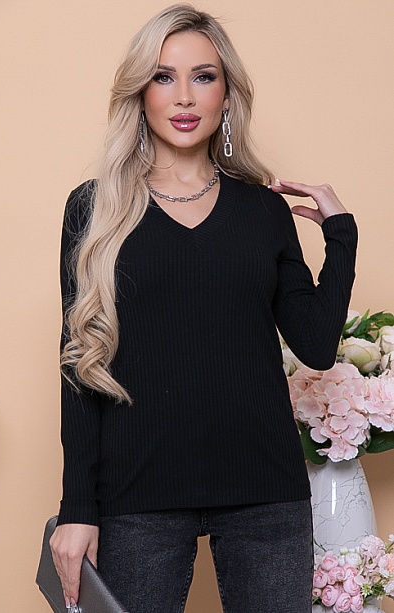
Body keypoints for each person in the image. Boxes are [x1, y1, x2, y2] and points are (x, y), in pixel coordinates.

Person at [49, 4, 357, 612]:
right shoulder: (95, 208)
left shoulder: (262, 211)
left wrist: (341, 236)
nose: (184, 96)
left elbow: (317, 345)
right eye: (163, 77)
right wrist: (78, 509)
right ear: (139, 93)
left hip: (265, 493)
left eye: (204, 76)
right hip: (137, 495)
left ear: (227, 93)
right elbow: (80, 363)